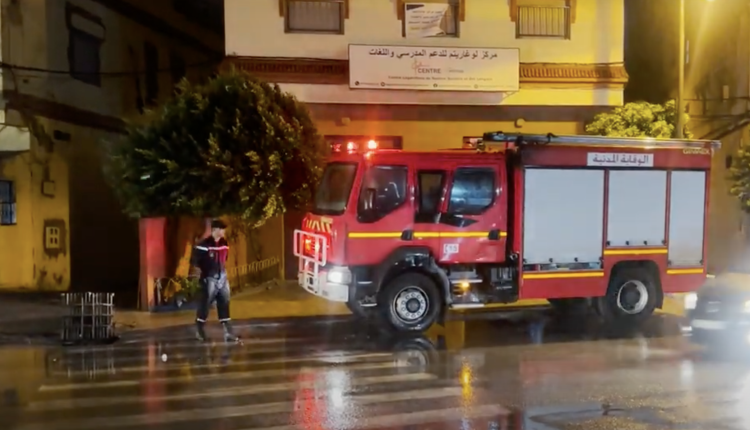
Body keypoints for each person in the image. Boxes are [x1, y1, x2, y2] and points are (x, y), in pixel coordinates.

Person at [190, 219, 240, 342]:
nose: (224, 231)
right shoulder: (203, 245)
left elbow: (225, 258)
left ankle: (228, 332)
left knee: (225, 302)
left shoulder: (224, 243)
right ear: (215, 230)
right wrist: (202, 274)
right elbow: (194, 261)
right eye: (222, 229)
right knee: (205, 303)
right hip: (209, 277)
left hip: (222, 276)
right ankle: (199, 329)